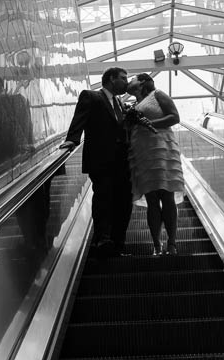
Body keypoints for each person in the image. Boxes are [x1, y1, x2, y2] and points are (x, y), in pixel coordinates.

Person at [59, 67, 133, 257]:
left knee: (124, 202)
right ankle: (102, 239)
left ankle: (119, 242)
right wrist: (72, 139)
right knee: (104, 198)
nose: (127, 82)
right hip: (101, 160)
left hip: (123, 162)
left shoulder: (119, 102)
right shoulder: (91, 96)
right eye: (123, 78)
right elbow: (79, 119)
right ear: (110, 79)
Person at [125, 74, 185, 256]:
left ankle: (172, 244)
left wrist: (149, 123)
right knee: (151, 200)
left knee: (167, 195)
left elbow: (174, 117)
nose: (129, 81)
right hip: (142, 154)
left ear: (142, 82)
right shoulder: (132, 106)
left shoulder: (158, 95)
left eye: (133, 78)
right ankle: (157, 245)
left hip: (161, 149)